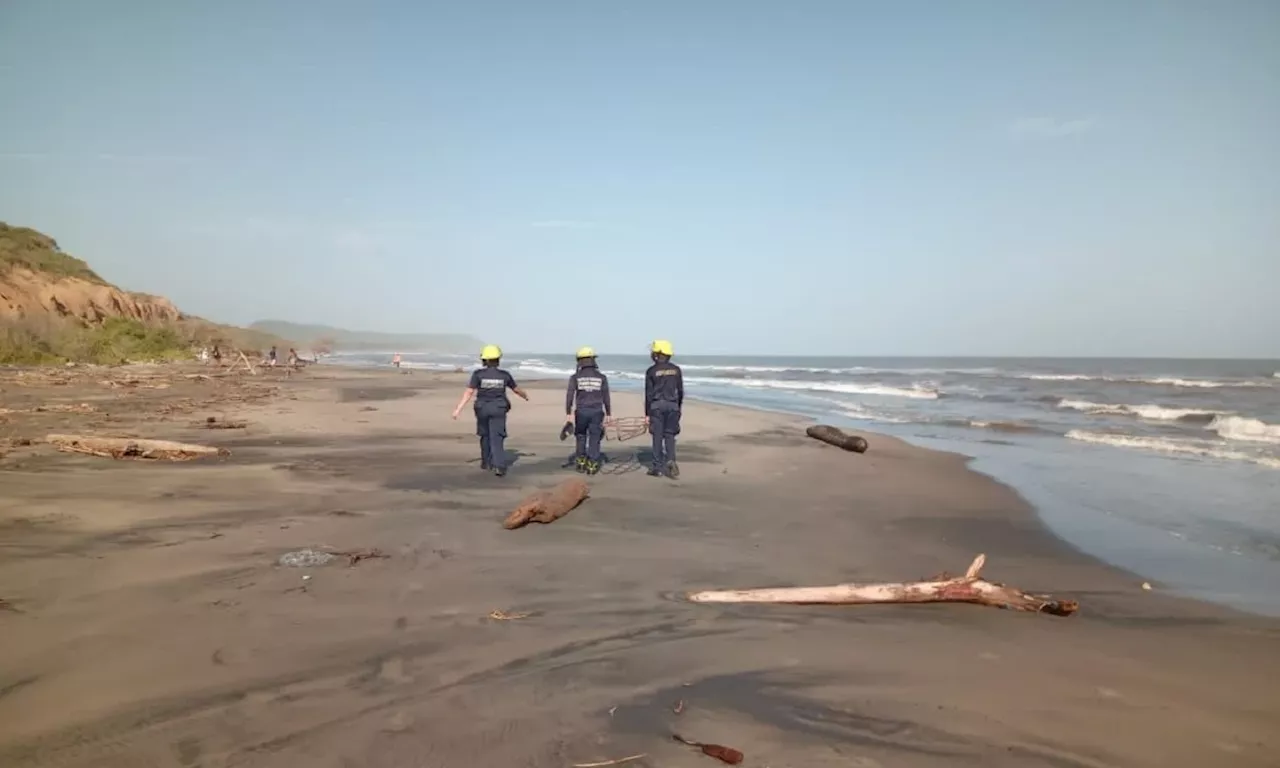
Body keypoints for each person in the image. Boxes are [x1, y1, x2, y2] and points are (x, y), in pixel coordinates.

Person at [451, 344, 528, 477]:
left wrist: (458, 409)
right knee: (497, 437)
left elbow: (469, 392)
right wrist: (525, 396)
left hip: (482, 408)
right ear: (498, 359)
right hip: (498, 409)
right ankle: (499, 466)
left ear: (484, 359)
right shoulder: (505, 375)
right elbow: (516, 389)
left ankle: (486, 462)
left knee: (484, 435)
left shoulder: (478, 374)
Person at [565, 346, 612, 475]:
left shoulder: (575, 377)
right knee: (595, 437)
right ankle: (592, 463)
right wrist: (609, 413)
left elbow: (570, 396)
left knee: (581, 435)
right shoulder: (601, 377)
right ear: (593, 360)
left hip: (581, 411)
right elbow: (606, 396)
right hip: (597, 411)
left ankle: (580, 461)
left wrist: (568, 413)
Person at [644, 339, 684, 478]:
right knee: (670, 436)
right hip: (672, 405)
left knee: (657, 436)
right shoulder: (676, 369)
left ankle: (657, 467)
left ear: (657, 354)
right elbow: (680, 391)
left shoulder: (651, 371)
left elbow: (648, 394)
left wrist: (647, 414)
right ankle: (671, 460)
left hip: (657, 406)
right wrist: (678, 408)